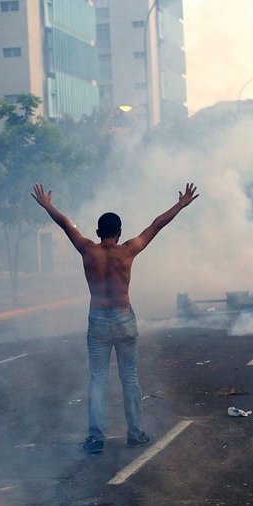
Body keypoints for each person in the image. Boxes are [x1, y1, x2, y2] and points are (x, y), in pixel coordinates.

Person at [31, 182, 199, 454]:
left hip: (98, 317)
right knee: (129, 377)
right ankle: (135, 434)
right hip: (123, 317)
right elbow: (157, 225)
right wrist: (181, 204)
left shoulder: (88, 250)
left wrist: (48, 206)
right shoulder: (128, 250)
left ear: (98, 233)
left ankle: (96, 438)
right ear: (119, 233)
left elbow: (65, 225)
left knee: (97, 379)